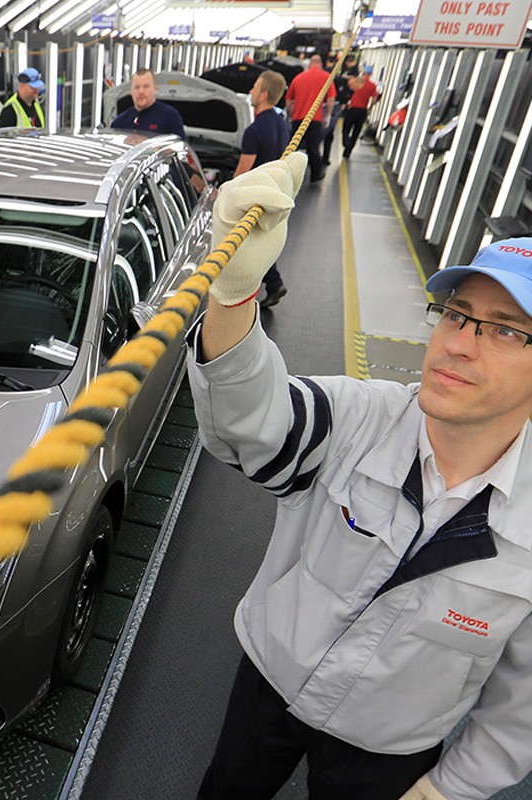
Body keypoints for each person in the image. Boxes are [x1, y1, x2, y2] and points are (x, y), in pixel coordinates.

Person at [188, 152, 532, 800]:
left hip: (387, 748)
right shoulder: (364, 417)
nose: (457, 342)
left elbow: (523, 707)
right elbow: (253, 421)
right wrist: (232, 295)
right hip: (271, 680)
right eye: (456, 314)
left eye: (504, 331)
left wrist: (447, 790)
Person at [232, 70, 290, 309]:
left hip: (254, 197)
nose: (251, 91)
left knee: (249, 246)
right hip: (275, 191)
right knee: (261, 243)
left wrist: (225, 192)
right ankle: (274, 283)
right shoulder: (281, 123)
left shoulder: (254, 131)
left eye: (254, 88)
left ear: (264, 94)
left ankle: (244, 295)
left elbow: (242, 173)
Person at [284, 54, 336, 183]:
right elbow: (330, 101)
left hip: (298, 118)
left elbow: (289, 100)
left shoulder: (298, 78)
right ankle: (315, 175)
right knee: (313, 148)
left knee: (292, 148)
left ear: (310, 63)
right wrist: (328, 116)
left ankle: (286, 175)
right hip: (315, 119)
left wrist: (291, 115)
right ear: (320, 63)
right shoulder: (326, 78)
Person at [110, 68, 186, 139]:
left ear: (155, 88)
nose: (141, 91)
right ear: (131, 90)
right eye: (137, 87)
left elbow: (181, 149)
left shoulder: (170, 117)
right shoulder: (119, 122)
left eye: (146, 86)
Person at [322, 53, 354, 166]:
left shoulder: (327, 75)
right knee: (328, 135)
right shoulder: (337, 79)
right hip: (329, 110)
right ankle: (325, 158)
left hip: (321, 108)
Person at [342, 64, 380, 158]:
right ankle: (348, 151)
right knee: (356, 131)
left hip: (351, 109)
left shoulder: (355, 82)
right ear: (371, 74)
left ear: (362, 72)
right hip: (362, 111)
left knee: (346, 129)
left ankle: (346, 142)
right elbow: (374, 100)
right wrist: (370, 107)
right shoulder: (372, 86)